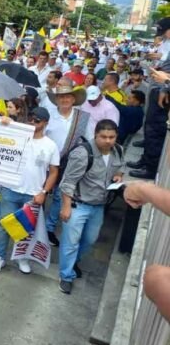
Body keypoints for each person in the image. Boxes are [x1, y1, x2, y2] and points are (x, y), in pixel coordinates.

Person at [0, 108, 60, 273]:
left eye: (37, 120)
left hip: (33, 194)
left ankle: (22, 258)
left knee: (27, 229)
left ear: (45, 123)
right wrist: (5, 122)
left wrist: (43, 192)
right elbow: (0, 133)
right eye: (31, 118)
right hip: (10, 189)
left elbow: (54, 172)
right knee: (5, 226)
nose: (33, 122)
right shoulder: (18, 135)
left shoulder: (51, 146)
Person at [58, 120, 124, 294]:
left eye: (112, 137)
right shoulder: (83, 154)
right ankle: (66, 276)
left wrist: (117, 176)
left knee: (89, 240)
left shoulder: (118, 150)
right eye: (104, 137)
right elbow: (68, 182)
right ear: (96, 135)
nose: (108, 141)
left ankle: (73, 263)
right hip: (78, 204)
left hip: (99, 206)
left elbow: (119, 169)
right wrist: (66, 207)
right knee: (70, 243)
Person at [44, 82, 90, 246]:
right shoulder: (48, 115)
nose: (64, 99)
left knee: (58, 197)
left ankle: (48, 228)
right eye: (61, 96)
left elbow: (88, 141)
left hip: (68, 163)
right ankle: (34, 224)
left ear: (73, 99)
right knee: (39, 194)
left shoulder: (83, 118)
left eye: (67, 96)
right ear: (56, 99)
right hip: (45, 162)